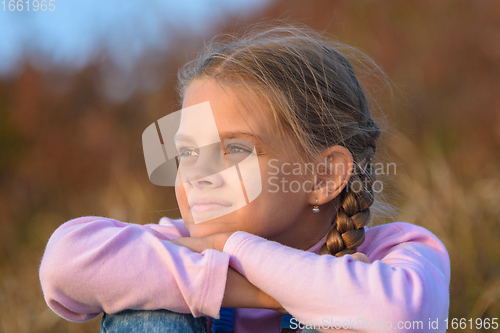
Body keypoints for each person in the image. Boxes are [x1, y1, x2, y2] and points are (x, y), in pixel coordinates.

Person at [39, 22, 450, 333]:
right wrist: (256, 293)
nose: (198, 173)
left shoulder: (399, 253)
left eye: (236, 149)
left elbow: (399, 316)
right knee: (147, 308)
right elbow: (64, 264)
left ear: (325, 176)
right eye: (187, 153)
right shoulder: (188, 248)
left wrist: (231, 245)